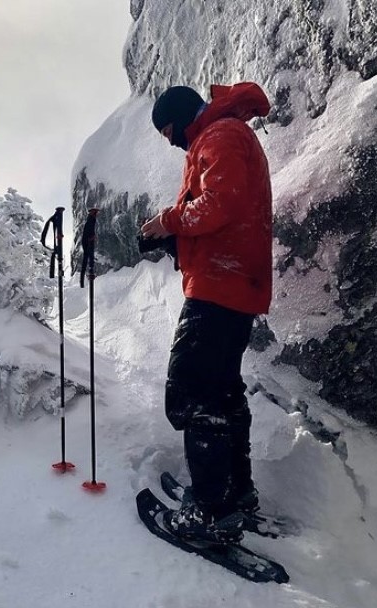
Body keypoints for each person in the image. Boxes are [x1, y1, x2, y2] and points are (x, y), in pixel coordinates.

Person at [141, 83, 273, 543]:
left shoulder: (218, 136)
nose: (169, 140)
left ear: (180, 119)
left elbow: (220, 204)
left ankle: (209, 513)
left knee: (193, 388)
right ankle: (234, 494)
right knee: (221, 390)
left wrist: (170, 221)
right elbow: (226, 209)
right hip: (232, 282)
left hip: (221, 283)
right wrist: (172, 234)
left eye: (167, 131)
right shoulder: (223, 135)